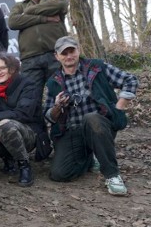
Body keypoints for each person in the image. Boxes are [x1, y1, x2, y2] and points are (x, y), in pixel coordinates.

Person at [44, 36, 139, 196]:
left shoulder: (97, 67)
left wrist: (119, 108)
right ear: (57, 56)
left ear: (78, 50)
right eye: (64, 53)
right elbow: (49, 117)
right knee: (59, 174)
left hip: (100, 125)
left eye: (71, 51)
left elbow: (130, 80)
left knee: (92, 118)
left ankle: (112, 175)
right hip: (72, 131)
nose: (68, 56)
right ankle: (90, 156)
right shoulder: (53, 82)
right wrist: (58, 106)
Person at [0, 53, 44, 187]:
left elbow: (24, 113)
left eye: (2, 68)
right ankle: (8, 158)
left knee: (6, 126)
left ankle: (24, 166)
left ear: (12, 69)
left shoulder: (27, 84)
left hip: (30, 133)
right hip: (3, 130)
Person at [8, 0, 68, 100]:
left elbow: (61, 5)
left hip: (56, 55)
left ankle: (65, 120)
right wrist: (45, 18)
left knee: (62, 93)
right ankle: (34, 121)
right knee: (30, 98)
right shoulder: (20, 6)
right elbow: (13, 22)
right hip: (30, 59)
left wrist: (29, 11)